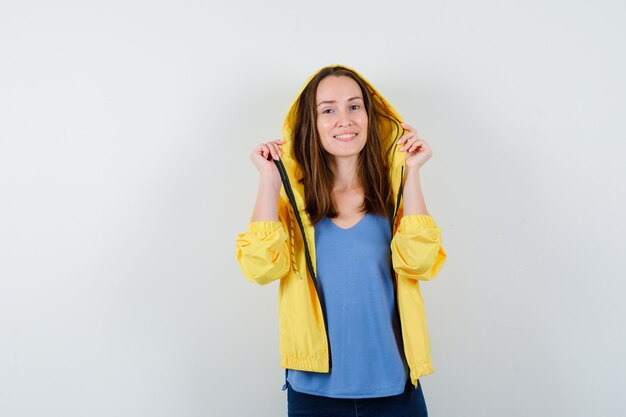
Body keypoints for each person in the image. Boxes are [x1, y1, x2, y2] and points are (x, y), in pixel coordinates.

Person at [235, 64, 447, 417]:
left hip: (395, 390)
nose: (344, 119)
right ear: (311, 123)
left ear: (369, 115)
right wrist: (271, 178)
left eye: (354, 106)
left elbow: (421, 263)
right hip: (313, 394)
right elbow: (260, 269)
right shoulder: (294, 201)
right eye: (328, 110)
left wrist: (411, 171)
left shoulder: (391, 193)